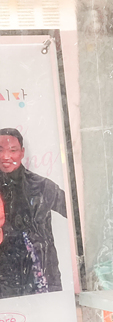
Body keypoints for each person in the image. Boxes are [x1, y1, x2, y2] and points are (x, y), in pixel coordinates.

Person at [0, 128, 67, 298]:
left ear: (22, 153)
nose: (6, 156)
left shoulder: (41, 186)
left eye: (12, 150)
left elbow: (77, 213)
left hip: (40, 278)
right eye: (0, 150)